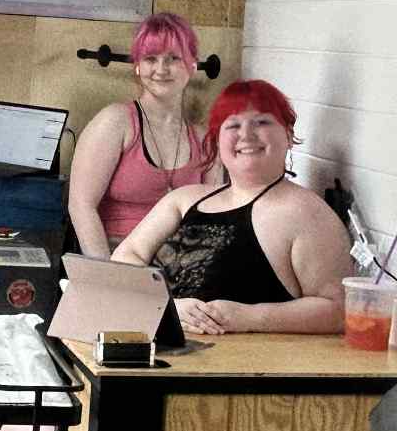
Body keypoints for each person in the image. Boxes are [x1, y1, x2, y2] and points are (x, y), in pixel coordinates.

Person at [114, 79, 356, 336]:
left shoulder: (306, 214)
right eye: (233, 125)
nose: (246, 134)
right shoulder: (183, 200)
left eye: (262, 122)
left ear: (287, 135)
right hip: (156, 352)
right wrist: (166, 305)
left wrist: (250, 317)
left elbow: (339, 311)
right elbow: (125, 259)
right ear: (217, 142)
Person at [66, 12, 216, 257]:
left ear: (192, 65)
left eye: (173, 59)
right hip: (117, 256)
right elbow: (81, 206)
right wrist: (108, 276)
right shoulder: (115, 121)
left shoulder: (204, 139)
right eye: (150, 58)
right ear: (137, 66)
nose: (161, 69)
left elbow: (214, 217)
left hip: (179, 265)